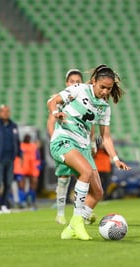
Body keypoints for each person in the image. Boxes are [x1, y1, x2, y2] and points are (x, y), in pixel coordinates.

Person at [47, 64, 130, 240]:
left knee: (98, 192)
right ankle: (77, 220)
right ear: (94, 81)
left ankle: (70, 229)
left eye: (109, 88)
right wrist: (56, 113)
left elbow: (105, 137)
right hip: (64, 140)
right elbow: (52, 101)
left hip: (83, 147)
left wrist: (115, 159)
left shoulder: (104, 108)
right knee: (85, 172)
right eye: (103, 87)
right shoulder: (79, 89)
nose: (106, 91)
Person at [47, 69, 85, 224]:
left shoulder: (84, 99)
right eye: (72, 81)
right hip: (64, 142)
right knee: (64, 178)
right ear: (66, 83)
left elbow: (90, 124)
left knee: (85, 176)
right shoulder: (60, 99)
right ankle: (60, 214)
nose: (75, 83)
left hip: (81, 142)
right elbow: (51, 122)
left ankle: (83, 213)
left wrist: (92, 141)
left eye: (78, 81)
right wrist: (55, 141)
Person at [14, 134, 41, 210]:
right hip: (21, 167)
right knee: (21, 185)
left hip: (31, 168)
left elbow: (37, 157)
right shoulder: (20, 146)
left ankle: (31, 199)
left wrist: (38, 166)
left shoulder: (33, 146)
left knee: (34, 182)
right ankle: (22, 201)